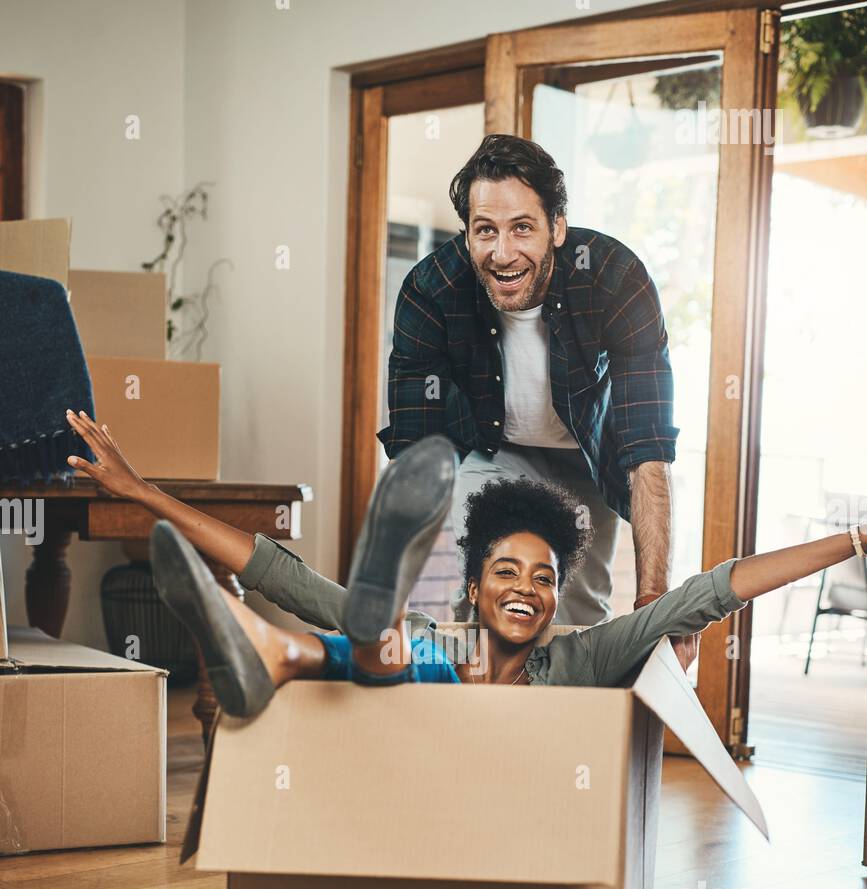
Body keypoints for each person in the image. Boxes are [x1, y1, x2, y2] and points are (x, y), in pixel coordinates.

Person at [66, 412, 867, 717]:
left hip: (494, 796)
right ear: (476, 583)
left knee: (383, 636)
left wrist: (854, 544)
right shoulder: (439, 634)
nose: (526, 589)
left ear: (557, 600)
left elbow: (711, 591)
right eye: (508, 572)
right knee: (394, 639)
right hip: (407, 730)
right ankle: (289, 642)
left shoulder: (582, 658)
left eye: (545, 577)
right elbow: (281, 575)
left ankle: (276, 650)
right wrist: (141, 493)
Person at [377, 134, 694, 666]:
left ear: (558, 227)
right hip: (489, 446)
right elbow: (416, 459)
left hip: (586, 456)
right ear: (468, 233)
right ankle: (479, 735)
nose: (503, 254)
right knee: (488, 596)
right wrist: (389, 600)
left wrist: (654, 605)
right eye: (486, 231)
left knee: (576, 616)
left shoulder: (616, 280)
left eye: (522, 227)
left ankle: (565, 742)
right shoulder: (430, 291)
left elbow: (647, 451)